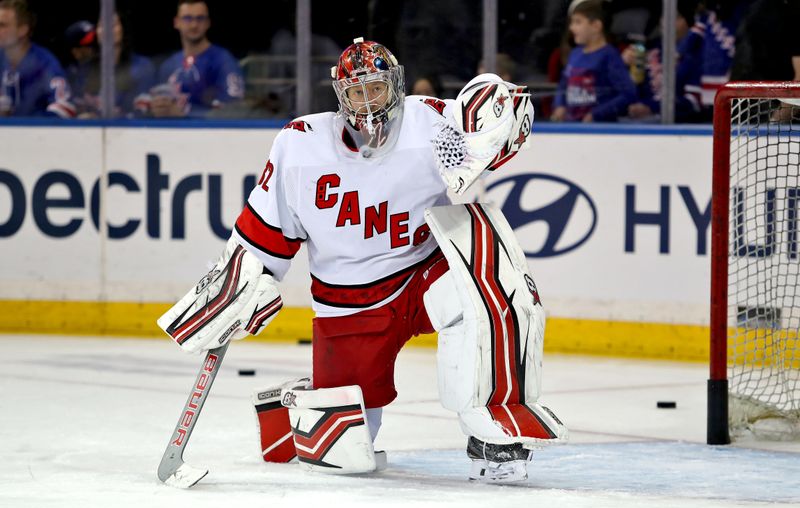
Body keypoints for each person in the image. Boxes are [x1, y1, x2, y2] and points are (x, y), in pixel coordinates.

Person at [157, 37, 567, 484]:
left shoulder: (428, 121)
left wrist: (495, 114)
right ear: (340, 95)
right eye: (356, 91)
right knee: (348, 456)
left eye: (377, 88)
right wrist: (242, 284)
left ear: (396, 86)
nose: (368, 101)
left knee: (489, 284)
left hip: (425, 272)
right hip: (348, 302)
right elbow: (264, 234)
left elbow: (497, 116)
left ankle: (493, 434)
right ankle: (296, 405)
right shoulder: (299, 147)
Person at [148, 0, 243, 118]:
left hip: (211, 134)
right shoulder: (168, 66)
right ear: (176, 22)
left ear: (208, 23)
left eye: (200, 18)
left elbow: (234, 110)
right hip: (170, 134)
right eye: (187, 18)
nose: (194, 25)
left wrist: (184, 114)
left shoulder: (223, 61)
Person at [551, 0, 636, 122]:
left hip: (599, 131)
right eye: (571, 22)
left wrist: (596, 114)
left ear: (596, 26)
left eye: (578, 22)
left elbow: (628, 94)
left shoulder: (609, 55)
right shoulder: (575, 54)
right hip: (572, 127)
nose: (571, 28)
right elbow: (564, 84)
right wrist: (560, 105)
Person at [625, 0, 703, 122]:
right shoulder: (649, 48)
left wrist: (651, 108)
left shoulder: (697, 54)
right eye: (664, 16)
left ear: (689, 22)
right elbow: (632, 88)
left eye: (676, 17)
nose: (667, 21)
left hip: (679, 122)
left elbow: (694, 102)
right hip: (640, 118)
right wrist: (624, 64)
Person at [69, 12, 156, 119]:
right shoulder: (84, 70)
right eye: (102, 25)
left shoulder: (142, 67)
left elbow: (143, 113)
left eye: (113, 25)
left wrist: (108, 119)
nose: (107, 29)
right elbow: (73, 108)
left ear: (123, 30)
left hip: (129, 132)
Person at [0, 0, 74, 118]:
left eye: (2, 25)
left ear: (22, 30)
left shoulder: (45, 64)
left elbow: (65, 108)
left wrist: (31, 125)